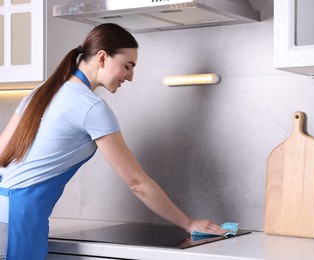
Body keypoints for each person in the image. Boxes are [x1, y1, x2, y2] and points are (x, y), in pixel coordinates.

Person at [0, 23, 224, 260]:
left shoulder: (41, 91)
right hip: (17, 221)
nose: (131, 76)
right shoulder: (91, 107)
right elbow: (137, 182)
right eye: (128, 66)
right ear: (103, 57)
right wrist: (188, 223)